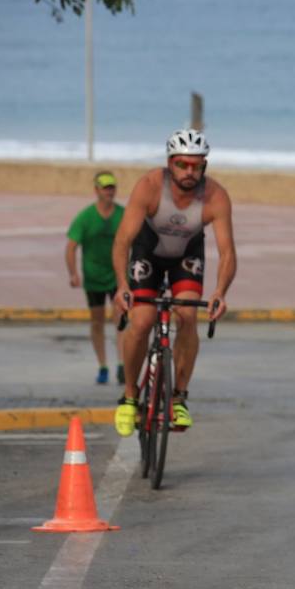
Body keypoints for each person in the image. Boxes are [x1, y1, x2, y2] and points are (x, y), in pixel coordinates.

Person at [111, 129, 237, 436]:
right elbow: (122, 241)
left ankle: (179, 397)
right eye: (183, 164)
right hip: (148, 253)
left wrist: (220, 292)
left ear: (204, 166)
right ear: (170, 163)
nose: (190, 172)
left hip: (185, 255)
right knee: (142, 321)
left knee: (188, 315)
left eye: (197, 165)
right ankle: (129, 396)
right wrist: (122, 287)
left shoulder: (216, 196)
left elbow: (227, 252)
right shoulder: (150, 186)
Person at [66, 170, 125, 384]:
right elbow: (71, 247)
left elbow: (138, 242)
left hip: (118, 276)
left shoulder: (123, 214)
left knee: (120, 318)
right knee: (97, 321)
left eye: (113, 187)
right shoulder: (86, 217)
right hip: (93, 278)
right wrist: (73, 273)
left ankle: (122, 364)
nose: (110, 191)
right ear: (96, 190)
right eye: (106, 187)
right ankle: (102, 366)